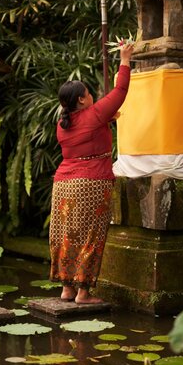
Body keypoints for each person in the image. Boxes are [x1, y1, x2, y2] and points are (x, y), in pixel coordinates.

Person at [49, 43, 134, 304]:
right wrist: (125, 59)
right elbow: (120, 90)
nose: (92, 94)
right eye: (89, 92)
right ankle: (83, 293)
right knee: (91, 235)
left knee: (66, 235)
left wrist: (106, 121)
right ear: (82, 99)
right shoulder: (95, 113)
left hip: (63, 183)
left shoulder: (63, 123)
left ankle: (67, 289)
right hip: (91, 183)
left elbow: (84, 134)